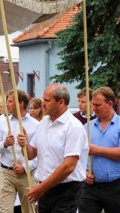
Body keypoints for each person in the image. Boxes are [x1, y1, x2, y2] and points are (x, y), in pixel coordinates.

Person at [17, 84, 89, 213]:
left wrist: (40, 188)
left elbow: (69, 166)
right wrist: (24, 144)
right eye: (43, 99)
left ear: (61, 102)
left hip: (66, 190)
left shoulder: (73, 127)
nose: (43, 104)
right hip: (45, 189)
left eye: (47, 100)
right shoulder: (44, 123)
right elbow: (31, 154)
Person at [78, 87, 120, 213]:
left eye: (98, 105)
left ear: (110, 103)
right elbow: (78, 155)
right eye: (93, 105)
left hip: (115, 187)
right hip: (89, 188)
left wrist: (97, 150)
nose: (93, 109)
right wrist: (84, 172)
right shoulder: (86, 127)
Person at [0, 89, 39, 213]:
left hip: (27, 174)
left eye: (10, 101)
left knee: (29, 210)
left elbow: (40, 154)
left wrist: (25, 167)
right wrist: (4, 144)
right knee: (4, 210)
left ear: (20, 103)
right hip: (5, 172)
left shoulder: (35, 125)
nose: (7, 105)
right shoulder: (0, 122)